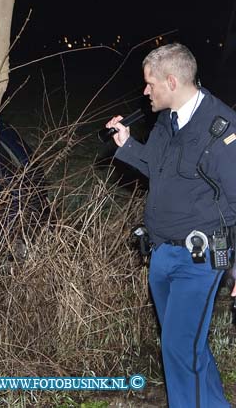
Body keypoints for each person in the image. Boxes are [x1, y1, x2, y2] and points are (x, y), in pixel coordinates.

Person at [106, 43, 236, 408]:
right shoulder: (167, 120)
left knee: (180, 348)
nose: (145, 91)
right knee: (185, 346)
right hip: (162, 252)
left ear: (172, 81)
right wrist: (128, 145)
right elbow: (158, 171)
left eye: (150, 84)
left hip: (202, 257)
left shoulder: (220, 131)